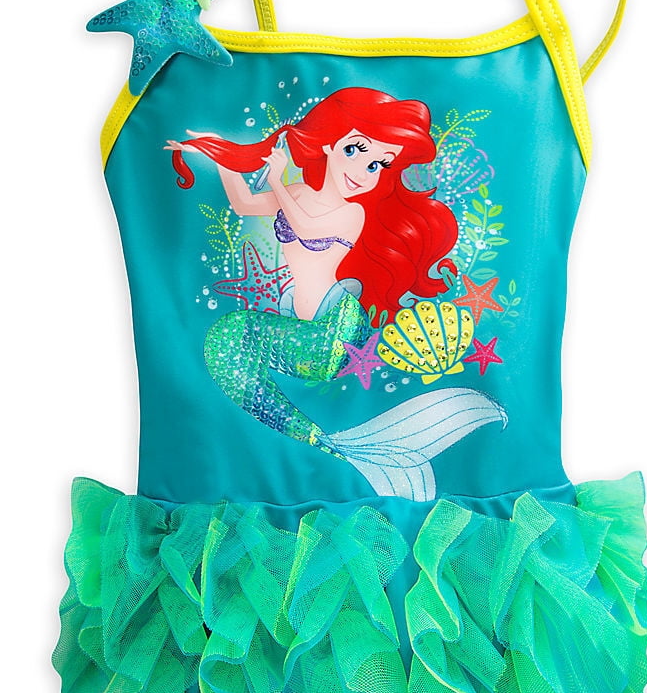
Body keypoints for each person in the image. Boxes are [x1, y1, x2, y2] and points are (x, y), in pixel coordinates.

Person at [166, 87, 505, 500]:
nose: (364, 170)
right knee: (227, 341)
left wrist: (277, 180)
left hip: (334, 333)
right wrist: (219, 153)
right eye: (356, 150)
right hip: (301, 323)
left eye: (378, 163)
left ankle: (325, 442)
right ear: (328, 143)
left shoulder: (352, 211)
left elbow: (306, 226)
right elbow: (243, 204)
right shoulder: (299, 193)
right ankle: (318, 439)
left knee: (232, 334)